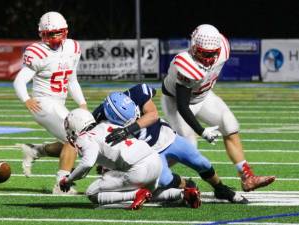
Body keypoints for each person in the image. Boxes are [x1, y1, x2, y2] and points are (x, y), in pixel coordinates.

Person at [160, 24, 275, 192]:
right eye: (204, 53)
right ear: (194, 47)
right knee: (188, 146)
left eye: (213, 53)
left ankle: (247, 178)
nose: (209, 58)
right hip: (176, 102)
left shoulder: (223, 48)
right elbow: (183, 106)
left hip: (203, 96)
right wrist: (202, 131)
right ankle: (150, 170)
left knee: (229, 124)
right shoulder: (185, 64)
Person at [93, 84, 247, 204]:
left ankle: (220, 189)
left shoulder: (137, 93)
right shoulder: (99, 120)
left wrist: (128, 129)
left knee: (201, 162)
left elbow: (153, 115)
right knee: (165, 180)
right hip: (149, 154)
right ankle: (188, 185)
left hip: (166, 137)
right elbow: (96, 140)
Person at [59, 108, 201, 209]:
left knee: (92, 193)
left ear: (75, 126)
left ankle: (137, 194)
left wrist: (68, 179)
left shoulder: (86, 137)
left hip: (138, 169)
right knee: (151, 193)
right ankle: (184, 194)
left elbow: (87, 163)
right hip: (155, 160)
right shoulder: (108, 124)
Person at [13, 11, 87, 194]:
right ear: (41, 34)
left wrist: (82, 103)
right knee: (75, 136)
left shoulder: (73, 48)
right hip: (43, 103)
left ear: (65, 31)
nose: (53, 37)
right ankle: (61, 185)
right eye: (48, 34)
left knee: (79, 140)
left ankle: (36, 150)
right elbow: (19, 81)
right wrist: (27, 100)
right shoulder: (37, 52)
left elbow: (72, 80)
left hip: (58, 103)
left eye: (56, 32)